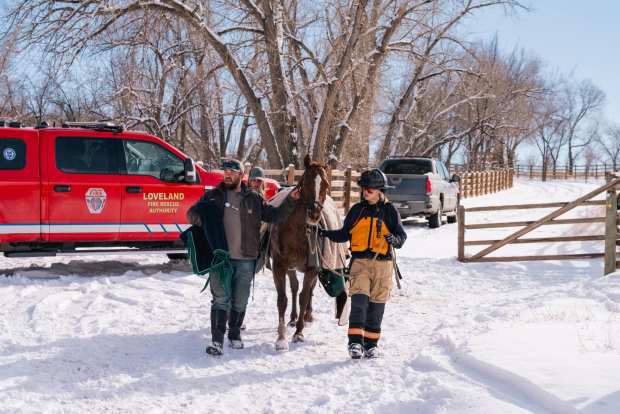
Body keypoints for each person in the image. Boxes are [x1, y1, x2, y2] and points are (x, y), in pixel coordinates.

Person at [187, 158, 300, 356]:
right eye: (225, 172)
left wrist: (291, 200)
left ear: (241, 175)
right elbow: (192, 214)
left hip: (246, 259)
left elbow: (275, 216)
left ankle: (234, 334)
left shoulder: (253, 199)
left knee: (240, 301)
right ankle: (217, 341)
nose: (227, 174)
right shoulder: (213, 196)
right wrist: (203, 221)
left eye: (232, 171)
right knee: (220, 299)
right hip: (220, 259)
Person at [319, 168, 406, 359]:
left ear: (380, 191)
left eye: (370, 189)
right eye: (364, 188)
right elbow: (343, 234)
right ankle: (355, 344)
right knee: (359, 303)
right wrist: (324, 233)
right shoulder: (357, 211)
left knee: (377, 306)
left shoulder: (390, 211)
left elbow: (402, 236)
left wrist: (395, 240)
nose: (365, 192)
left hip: (383, 266)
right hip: (359, 264)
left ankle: (371, 344)